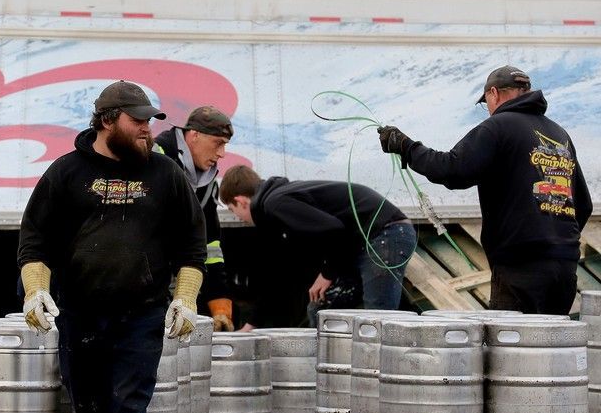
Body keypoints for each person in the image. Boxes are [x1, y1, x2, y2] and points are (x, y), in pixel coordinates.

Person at [17, 80, 206, 413]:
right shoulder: (66, 173)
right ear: (107, 121)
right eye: (138, 120)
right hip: (80, 315)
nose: (147, 129)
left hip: (140, 315)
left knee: (127, 404)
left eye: (150, 121)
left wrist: (185, 299)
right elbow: (34, 239)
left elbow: (192, 247)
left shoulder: (165, 176)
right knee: (92, 408)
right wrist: (36, 290)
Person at [377, 65, 591, 314]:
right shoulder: (559, 134)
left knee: (512, 347)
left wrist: (406, 146)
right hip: (564, 269)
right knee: (551, 347)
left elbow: (452, 169)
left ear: (494, 93)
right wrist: (556, 241)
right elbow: (582, 205)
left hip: (519, 266)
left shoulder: (498, 127)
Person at [219, 165, 417, 325]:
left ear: (241, 201)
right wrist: (252, 325)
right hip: (359, 242)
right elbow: (279, 274)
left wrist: (327, 273)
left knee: (378, 319)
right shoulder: (276, 209)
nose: (237, 217)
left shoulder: (275, 203)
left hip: (385, 232)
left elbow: (333, 230)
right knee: (321, 307)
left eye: (232, 209)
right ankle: (333, 366)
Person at [154, 106, 235, 331]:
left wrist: (220, 305)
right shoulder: (154, 159)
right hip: (146, 287)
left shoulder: (207, 180)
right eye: (218, 143)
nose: (222, 154)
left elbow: (209, 244)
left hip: (180, 286)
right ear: (194, 135)